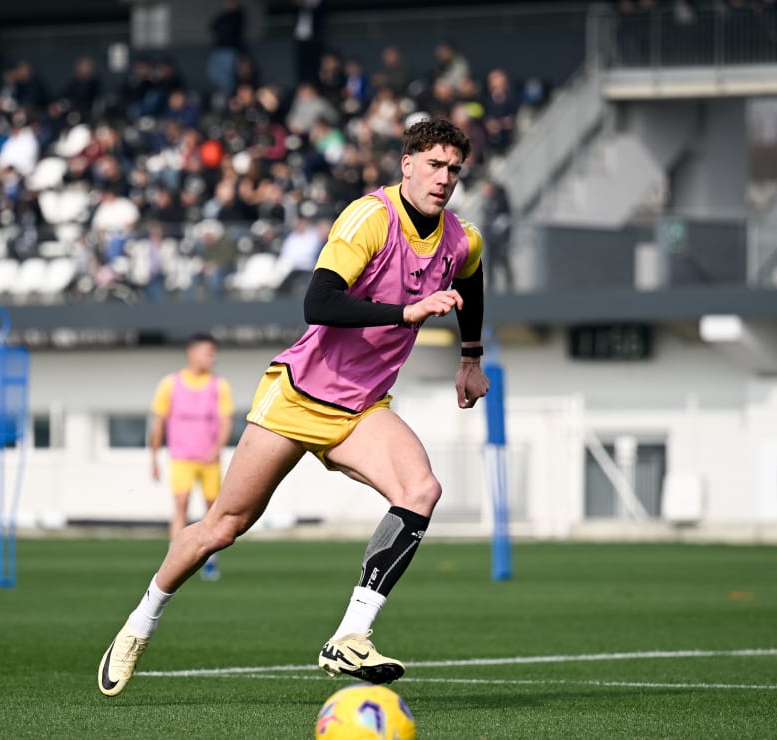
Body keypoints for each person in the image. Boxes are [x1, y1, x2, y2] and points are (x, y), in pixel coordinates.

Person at [97, 118, 489, 696]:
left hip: (361, 409)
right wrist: (402, 313)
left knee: (421, 491)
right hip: (299, 395)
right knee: (221, 528)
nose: (444, 178)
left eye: (454, 169)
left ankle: (350, 636)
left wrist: (471, 357)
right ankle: (140, 621)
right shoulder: (370, 217)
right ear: (407, 164)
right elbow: (318, 302)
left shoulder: (462, 237)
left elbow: (473, 282)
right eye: (434, 165)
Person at [149, 333, 234, 580]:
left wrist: (215, 449)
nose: (212, 357)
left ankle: (210, 560)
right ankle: (173, 562)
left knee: (213, 511)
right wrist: (153, 457)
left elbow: (225, 421)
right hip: (181, 458)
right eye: (208, 352)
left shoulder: (219, 385)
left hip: (209, 461)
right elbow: (158, 422)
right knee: (181, 506)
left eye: (214, 353)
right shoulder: (171, 384)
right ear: (192, 353)